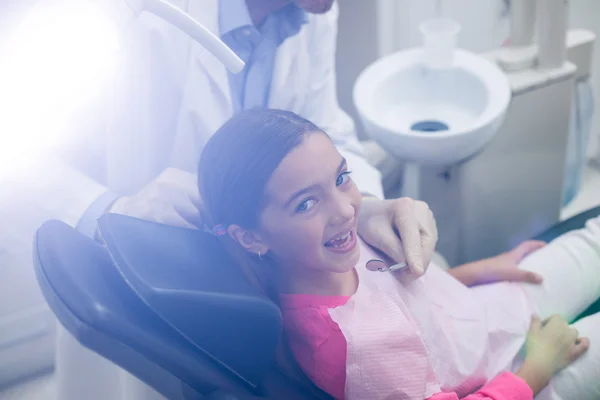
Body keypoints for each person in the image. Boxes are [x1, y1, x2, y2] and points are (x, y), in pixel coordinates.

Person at [19, 1, 443, 399]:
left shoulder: (309, 13)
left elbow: (323, 123)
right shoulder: (107, 15)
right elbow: (19, 147)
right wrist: (109, 211)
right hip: (141, 293)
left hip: (263, 304)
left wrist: (361, 203)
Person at [198, 108, 600, 400]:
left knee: (591, 242)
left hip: (481, 315)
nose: (344, 210)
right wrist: (536, 369)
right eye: (306, 204)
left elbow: (397, 298)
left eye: (341, 178)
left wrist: (476, 272)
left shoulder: (335, 248)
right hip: (509, 377)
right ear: (251, 238)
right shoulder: (352, 350)